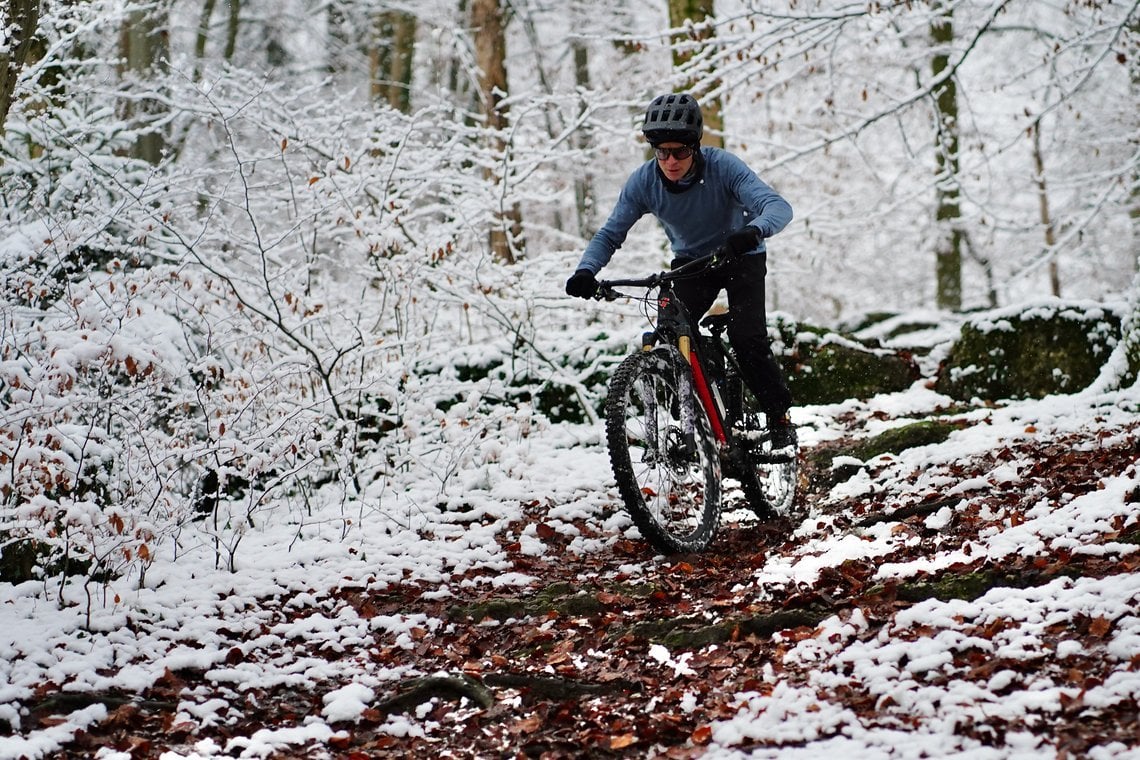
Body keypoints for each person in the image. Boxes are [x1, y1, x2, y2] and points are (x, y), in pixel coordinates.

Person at [565, 92, 796, 448]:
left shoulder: (723, 167)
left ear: (696, 147)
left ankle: (779, 416)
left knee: (746, 336)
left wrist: (752, 231)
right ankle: (707, 412)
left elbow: (777, 207)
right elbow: (611, 233)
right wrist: (586, 270)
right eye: (662, 152)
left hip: (740, 254)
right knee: (670, 335)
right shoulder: (643, 182)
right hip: (691, 263)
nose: (670, 161)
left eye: (680, 152)